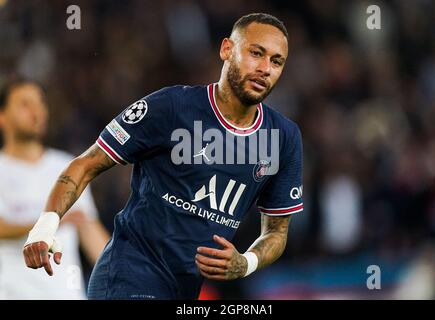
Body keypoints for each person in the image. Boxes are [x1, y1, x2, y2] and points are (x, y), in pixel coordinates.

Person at [23, 12, 304, 300]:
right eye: (256, 53)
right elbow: (87, 163)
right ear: (227, 49)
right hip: (130, 273)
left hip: (185, 289)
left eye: (276, 61)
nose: (265, 68)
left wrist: (247, 263)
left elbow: (277, 232)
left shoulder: (283, 138)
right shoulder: (172, 107)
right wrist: (45, 225)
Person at [0, 79, 110, 299]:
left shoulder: (67, 167)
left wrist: (125, 274)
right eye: (25, 104)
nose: (36, 111)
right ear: (2, 116)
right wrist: (49, 222)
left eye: (40, 103)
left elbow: (91, 233)